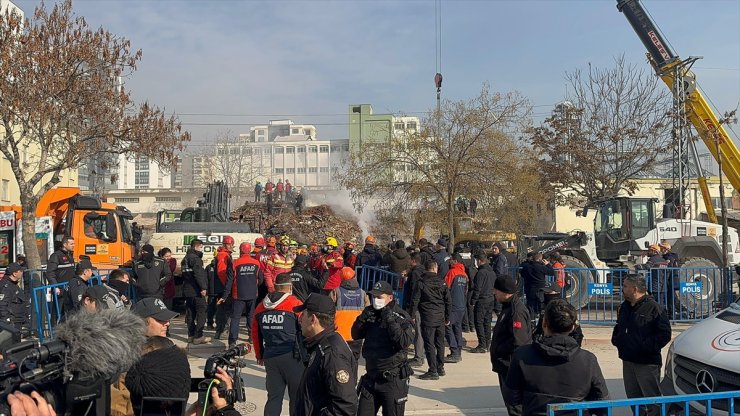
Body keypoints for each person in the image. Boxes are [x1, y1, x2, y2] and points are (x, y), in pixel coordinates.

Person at [504, 299, 609, 415]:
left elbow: (512, 399)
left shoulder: (522, 355)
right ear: (573, 328)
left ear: (544, 324)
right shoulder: (588, 360)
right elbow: (602, 404)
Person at [611, 274, 671, 416]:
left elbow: (664, 335)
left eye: (625, 286)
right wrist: (617, 339)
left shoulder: (654, 308)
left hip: (646, 363)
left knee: (652, 401)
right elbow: (619, 327)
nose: (622, 289)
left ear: (635, 288)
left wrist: (645, 347)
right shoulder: (625, 307)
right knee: (633, 399)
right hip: (628, 360)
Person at [352, 280, 415, 416]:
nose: (376, 300)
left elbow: (404, 341)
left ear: (390, 298)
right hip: (371, 378)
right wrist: (362, 318)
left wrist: (390, 320)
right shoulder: (371, 314)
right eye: (373, 297)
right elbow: (355, 334)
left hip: (391, 380)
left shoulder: (401, 316)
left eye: (379, 297)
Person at [294, 294, 358, 415]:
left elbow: (345, 406)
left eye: (303, 315)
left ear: (313, 319)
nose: (300, 319)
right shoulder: (320, 344)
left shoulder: (332, 354)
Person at [252, 273, 304, 416]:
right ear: (289, 287)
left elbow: (255, 334)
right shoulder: (295, 304)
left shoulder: (261, 306)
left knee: (274, 398)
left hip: (270, 356)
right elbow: (305, 329)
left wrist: (259, 354)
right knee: (296, 398)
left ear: (275, 287)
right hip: (292, 357)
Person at [491, 275, 531, 416]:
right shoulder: (507, 307)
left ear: (505, 292)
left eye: (496, 290)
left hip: (510, 365)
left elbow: (519, 341)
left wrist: (500, 350)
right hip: (505, 364)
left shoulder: (516, 311)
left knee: (515, 406)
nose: (494, 293)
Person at [411, 261, 451, 380]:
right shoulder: (442, 282)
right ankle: (440, 367)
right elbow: (448, 300)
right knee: (440, 343)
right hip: (440, 316)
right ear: (434, 268)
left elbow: (415, 300)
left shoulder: (421, 282)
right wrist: (448, 317)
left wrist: (412, 315)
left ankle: (433, 370)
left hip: (428, 316)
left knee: (429, 344)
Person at [224, 242, 262, 348]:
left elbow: (229, 281)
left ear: (241, 250)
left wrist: (225, 294)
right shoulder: (256, 263)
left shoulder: (235, 263)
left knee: (235, 317)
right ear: (249, 251)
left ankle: (232, 341)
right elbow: (261, 279)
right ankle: (251, 336)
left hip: (238, 295)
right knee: (251, 315)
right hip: (252, 293)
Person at [333, 267, 369, 361]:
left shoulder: (336, 292)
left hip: (339, 334)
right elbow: (368, 311)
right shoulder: (362, 293)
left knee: (340, 362)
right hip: (357, 335)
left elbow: (328, 311)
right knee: (354, 361)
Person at [181, 239, 211, 344]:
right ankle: (198, 336)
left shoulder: (184, 259)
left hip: (187, 290)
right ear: (196, 247)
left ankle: (191, 335)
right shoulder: (196, 259)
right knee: (202, 312)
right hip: (196, 290)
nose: (202, 249)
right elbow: (199, 274)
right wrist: (203, 288)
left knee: (190, 313)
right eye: (201, 247)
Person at [469, 251, 497, 353]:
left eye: (477, 261)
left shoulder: (481, 272)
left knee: (479, 322)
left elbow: (478, 288)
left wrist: (473, 301)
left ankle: (482, 344)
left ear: (480, 261)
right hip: (490, 298)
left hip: (482, 299)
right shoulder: (492, 272)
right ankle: (488, 343)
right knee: (487, 322)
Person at [444, 254, 468, 363]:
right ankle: (458, 350)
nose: (449, 262)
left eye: (450, 260)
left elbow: (446, 289)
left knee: (447, 326)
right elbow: (466, 290)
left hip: (452, 304)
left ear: (455, 261)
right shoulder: (464, 274)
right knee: (457, 327)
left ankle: (454, 352)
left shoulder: (452, 272)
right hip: (461, 305)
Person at [402, 252, 425, 367]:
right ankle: (419, 355)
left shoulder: (416, 274)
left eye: (409, 260)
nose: (408, 262)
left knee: (417, 332)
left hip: (414, 307)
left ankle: (419, 357)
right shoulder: (419, 271)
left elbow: (415, 293)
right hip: (416, 306)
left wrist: (411, 310)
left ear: (413, 261)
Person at [213, 236, 235, 340]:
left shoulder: (223, 254)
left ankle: (219, 331)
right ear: (225, 244)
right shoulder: (223, 255)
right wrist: (227, 288)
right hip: (223, 288)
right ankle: (222, 331)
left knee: (221, 311)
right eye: (229, 244)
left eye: (231, 244)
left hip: (220, 288)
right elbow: (221, 272)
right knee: (225, 311)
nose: (231, 246)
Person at [0, 263, 31, 332]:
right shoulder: (6, 286)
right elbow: (2, 305)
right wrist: (7, 322)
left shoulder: (13, 284)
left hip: (17, 321)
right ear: (14, 273)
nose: (22, 272)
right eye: (20, 271)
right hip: (11, 323)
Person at [158, 247, 177, 313]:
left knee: (168, 306)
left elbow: (171, 269)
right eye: (166, 256)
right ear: (161, 256)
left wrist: (164, 262)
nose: (168, 258)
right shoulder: (159, 262)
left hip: (169, 285)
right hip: (160, 287)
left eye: (169, 256)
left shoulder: (173, 260)